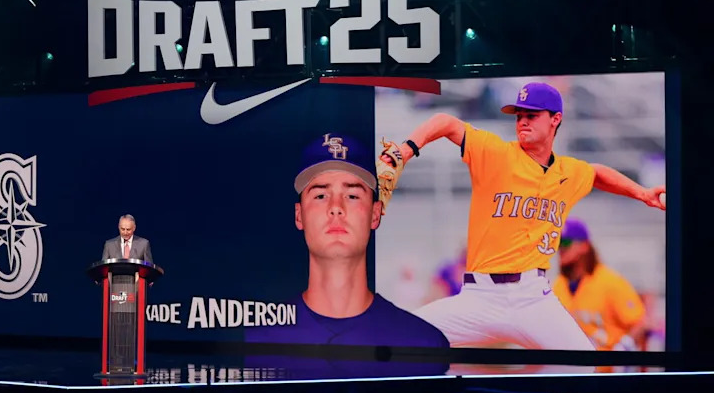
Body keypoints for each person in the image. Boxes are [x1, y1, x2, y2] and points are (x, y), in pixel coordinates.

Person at [394, 81, 665, 350]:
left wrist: (641, 193)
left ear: (555, 119)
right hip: (480, 297)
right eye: (519, 115)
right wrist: (406, 149)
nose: (523, 121)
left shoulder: (568, 172)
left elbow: (596, 174)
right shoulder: (496, 153)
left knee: (584, 365)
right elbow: (446, 122)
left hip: (533, 298)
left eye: (532, 115)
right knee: (400, 337)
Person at [244, 132, 448, 350]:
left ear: (375, 214)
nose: (336, 208)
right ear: (299, 215)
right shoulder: (254, 343)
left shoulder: (422, 343)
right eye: (320, 195)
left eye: (352, 196)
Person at [553, 219, 647, 351]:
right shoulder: (558, 285)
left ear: (584, 246)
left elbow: (640, 323)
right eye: (556, 243)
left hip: (608, 367)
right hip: (576, 367)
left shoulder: (610, 282)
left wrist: (625, 346)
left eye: (566, 242)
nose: (560, 248)